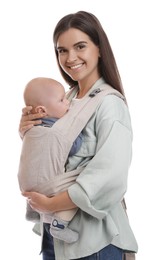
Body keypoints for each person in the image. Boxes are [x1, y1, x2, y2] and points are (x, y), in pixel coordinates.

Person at [19, 11, 138, 260]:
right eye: (62, 50)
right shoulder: (65, 99)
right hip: (54, 238)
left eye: (80, 46)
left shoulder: (109, 105)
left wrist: (51, 204)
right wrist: (30, 134)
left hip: (95, 242)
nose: (70, 58)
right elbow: (54, 158)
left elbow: (110, 175)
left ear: (100, 49)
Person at [18, 77, 83, 243]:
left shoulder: (29, 128)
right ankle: (59, 225)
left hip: (25, 184)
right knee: (78, 190)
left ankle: (32, 211)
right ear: (42, 110)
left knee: (38, 177)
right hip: (47, 185)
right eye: (62, 100)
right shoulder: (57, 131)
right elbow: (74, 147)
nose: (68, 103)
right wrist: (79, 133)